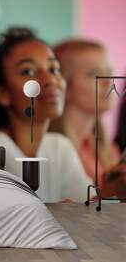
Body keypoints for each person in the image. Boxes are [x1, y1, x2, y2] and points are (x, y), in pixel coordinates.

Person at [0, 27, 93, 203]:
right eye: (28, 72)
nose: (49, 79)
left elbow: (89, 207)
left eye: (54, 69)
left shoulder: (59, 147)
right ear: (3, 94)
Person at [50, 39, 126, 198]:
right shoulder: (52, 152)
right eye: (93, 73)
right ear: (63, 84)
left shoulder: (109, 151)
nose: (107, 82)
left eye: (109, 72)